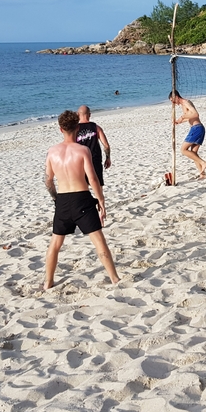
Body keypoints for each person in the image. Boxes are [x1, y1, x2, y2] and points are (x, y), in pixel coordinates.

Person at [43, 110, 120, 288]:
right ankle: (114, 278)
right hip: (82, 198)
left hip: (63, 199)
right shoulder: (83, 150)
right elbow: (92, 178)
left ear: (60, 129)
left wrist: (56, 199)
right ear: (78, 128)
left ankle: (48, 282)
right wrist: (101, 201)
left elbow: (48, 180)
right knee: (99, 240)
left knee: (55, 243)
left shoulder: (52, 152)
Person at [170, 90, 206, 178]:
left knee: (183, 150)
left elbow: (196, 114)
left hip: (197, 128)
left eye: (172, 100)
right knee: (193, 153)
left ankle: (204, 163)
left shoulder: (186, 102)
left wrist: (182, 117)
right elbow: (190, 117)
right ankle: (202, 174)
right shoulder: (183, 105)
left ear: (176, 97)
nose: (173, 103)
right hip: (197, 128)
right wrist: (178, 122)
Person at [76, 105, 111, 188]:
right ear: (90, 114)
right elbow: (106, 145)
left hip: (80, 161)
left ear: (78, 114)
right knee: (98, 186)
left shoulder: (75, 129)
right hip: (95, 159)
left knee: (83, 187)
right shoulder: (96, 128)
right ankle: (100, 201)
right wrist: (108, 158)